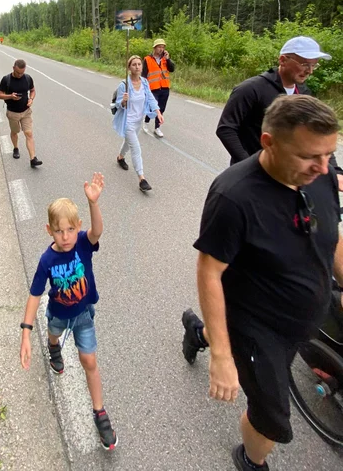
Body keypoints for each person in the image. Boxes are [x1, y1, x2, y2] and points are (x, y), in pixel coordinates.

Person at [181, 95, 343, 471]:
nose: (324, 166)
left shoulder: (317, 172)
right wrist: (222, 356)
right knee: (271, 418)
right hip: (258, 327)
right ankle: (251, 461)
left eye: (329, 154)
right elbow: (210, 271)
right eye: (310, 157)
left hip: (305, 311)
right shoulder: (234, 196)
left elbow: (329, 236)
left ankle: (198, 331)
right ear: (269, 143)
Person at [19, 172, 118, 451]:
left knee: (89, 361)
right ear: (48, 230)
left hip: (84, 314)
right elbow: (35, 295)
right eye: (59, 231)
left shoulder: (84, 243)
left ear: (78, 228)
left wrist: (93, 202)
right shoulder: (47, 259)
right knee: (53, 333)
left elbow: (98, 231)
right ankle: (54, 348)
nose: (66, 237)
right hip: (59, 314)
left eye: (71, 230)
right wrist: (26, 332)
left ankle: (99, 412)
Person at [216, 35, 343, 189]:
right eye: (304, 64)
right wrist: (248, 165)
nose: (309, 71)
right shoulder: (250, 89)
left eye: (314, 65)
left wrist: (335, 171)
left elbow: (318, 135)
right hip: (254, 179)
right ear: (283, 60)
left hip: (290, 178)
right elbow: (226, 129)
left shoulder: (304, 94)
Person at [113, 55, 163, 191]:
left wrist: (157, 111)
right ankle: (142, 179)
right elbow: (118, 104)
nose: (137, 67)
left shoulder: (145, 82)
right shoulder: (124, 85)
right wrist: (124, 101)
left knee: (128, 143)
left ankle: (120, 157)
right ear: (129, 67)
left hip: (138, 121)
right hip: (128, 122)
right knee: (136, 148)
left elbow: (151, 98)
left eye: (139, 64)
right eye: (134, 64)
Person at [0, 59, 42, 167]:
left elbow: (32, 90)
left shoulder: (27, 78)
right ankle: (16, 148)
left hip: (26, 111)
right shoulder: (6, 80)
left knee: (29, 133)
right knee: (15, 132)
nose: (20, 75)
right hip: (13, 113)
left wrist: (31, 99)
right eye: (18, 72)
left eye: (22, 72)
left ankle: (33, 159)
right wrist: (10, 96)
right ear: (13, 68)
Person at [141, 38, 175, 138]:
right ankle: (146, 122)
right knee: (153, 107)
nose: (161, 49)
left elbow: (172, 69)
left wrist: (168, 59)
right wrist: (143, 88)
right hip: (153, 88)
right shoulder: (147, 59)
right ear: (154, 48)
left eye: (163, 47)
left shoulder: (165, 59)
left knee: (161, 108)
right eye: (159, 47)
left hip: (164, 87)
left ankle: (157, 127)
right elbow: (144, 75)